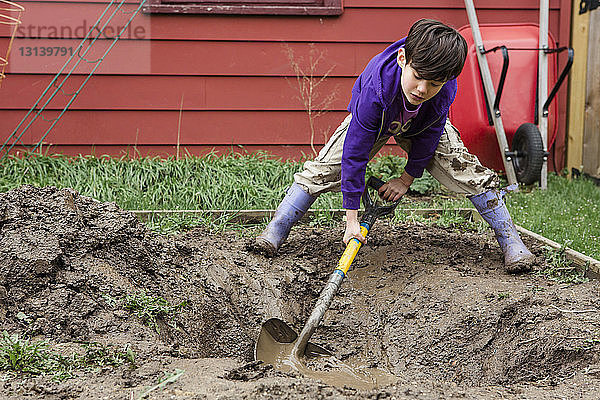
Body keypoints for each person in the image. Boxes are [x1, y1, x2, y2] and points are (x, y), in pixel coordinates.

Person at [254, 19, 535, 273]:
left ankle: (511, 241)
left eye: (434, 83)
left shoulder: (443, 89)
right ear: (403, 58)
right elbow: (355, 152)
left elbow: (431, 135)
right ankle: (276, 229)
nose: (422, 89)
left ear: (447, 80)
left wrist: (406, 179)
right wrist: (351, 219)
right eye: (418, 77)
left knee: (467, 170)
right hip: (374, 122)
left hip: (422, 123)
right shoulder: (376, 89)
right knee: (324, 169)